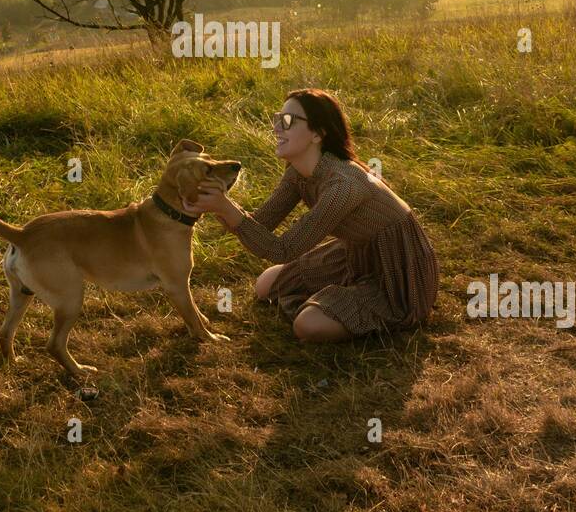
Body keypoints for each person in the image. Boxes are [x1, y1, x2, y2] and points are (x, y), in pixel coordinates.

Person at [182, 88, 439, 344]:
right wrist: (216, 205)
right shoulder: (298, 173)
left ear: (318, 133)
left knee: (307, 325)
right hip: (355, 253)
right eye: (277, 119)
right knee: (266, 285)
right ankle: (340, 299)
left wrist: (225, 208)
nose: (276, 128)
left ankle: (356, 306)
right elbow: (259, 224)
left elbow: (284, 249)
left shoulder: (344, 185)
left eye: (288, 121)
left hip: (397, 268)